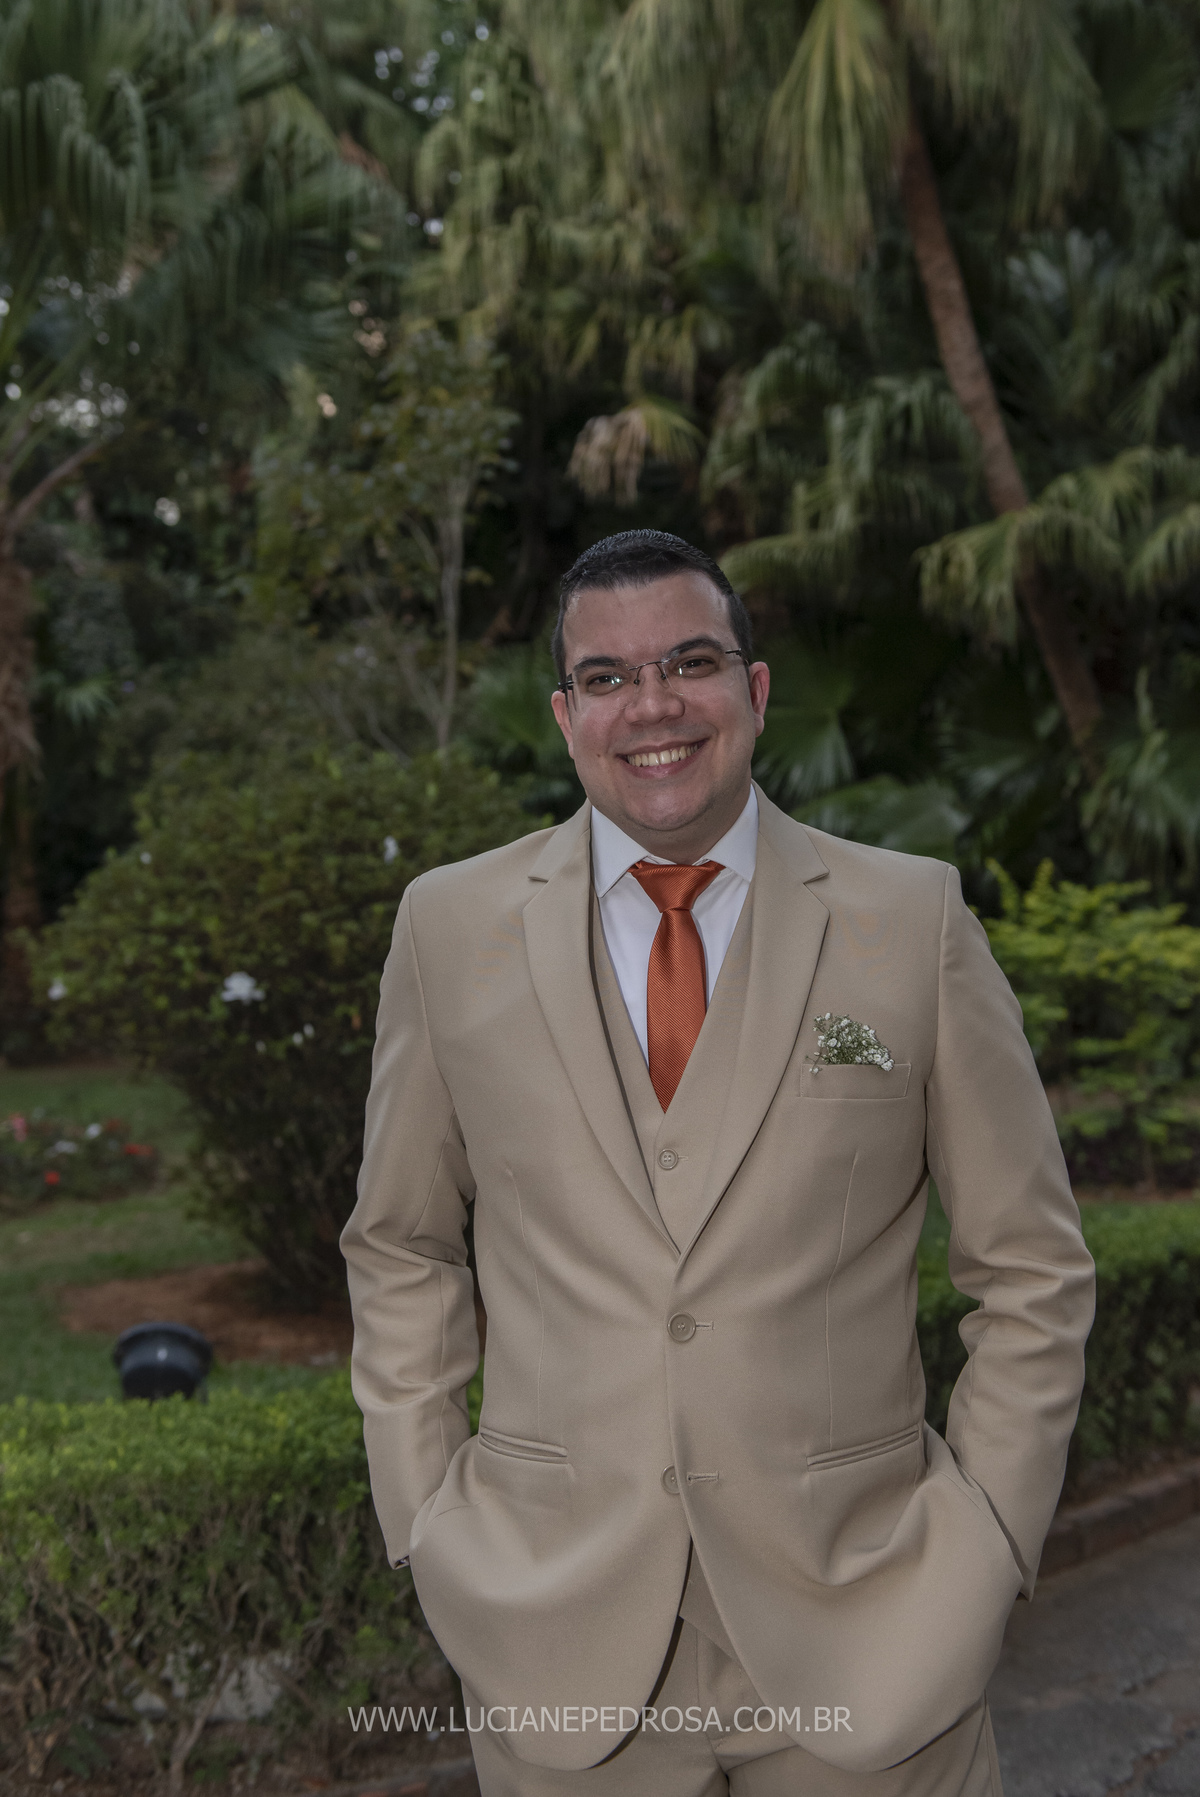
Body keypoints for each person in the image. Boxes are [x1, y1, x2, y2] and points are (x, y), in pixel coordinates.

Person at [341, 530, 1095, 1797]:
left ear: (752, 689)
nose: (653, 706)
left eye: (689, 663)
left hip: (874, 1631)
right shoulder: (449, 926)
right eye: (608, 676)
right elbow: (399, 1243)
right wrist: (427, 1518)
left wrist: (988, 1540)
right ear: (566, 714)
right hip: (557, 1637)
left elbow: (1032, 1270)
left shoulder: (910, 919)